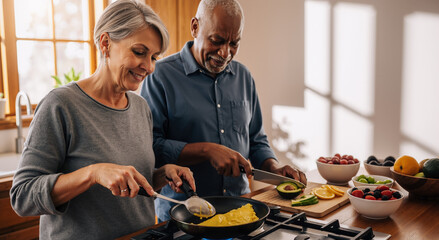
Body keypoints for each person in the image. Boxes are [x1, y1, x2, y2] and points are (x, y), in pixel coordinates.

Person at [10, 0, 196, 239]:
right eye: (139, 52)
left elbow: (131, 184)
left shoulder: (140, 108)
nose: (149, 67)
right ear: (106, 43)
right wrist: (92, 173)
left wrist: (162, 174)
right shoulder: (60, 105)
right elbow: (22, 197)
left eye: (154, 57)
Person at [140, 0, 307, 222]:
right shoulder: (159, 76)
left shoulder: (244, 77)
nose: (225, 53)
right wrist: (207, 150)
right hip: (184, 219)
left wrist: (274, 168)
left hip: (239, 213)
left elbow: (256, 140)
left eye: (234, 43)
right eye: (217, 40)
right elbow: (151, 147)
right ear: (195, 27)